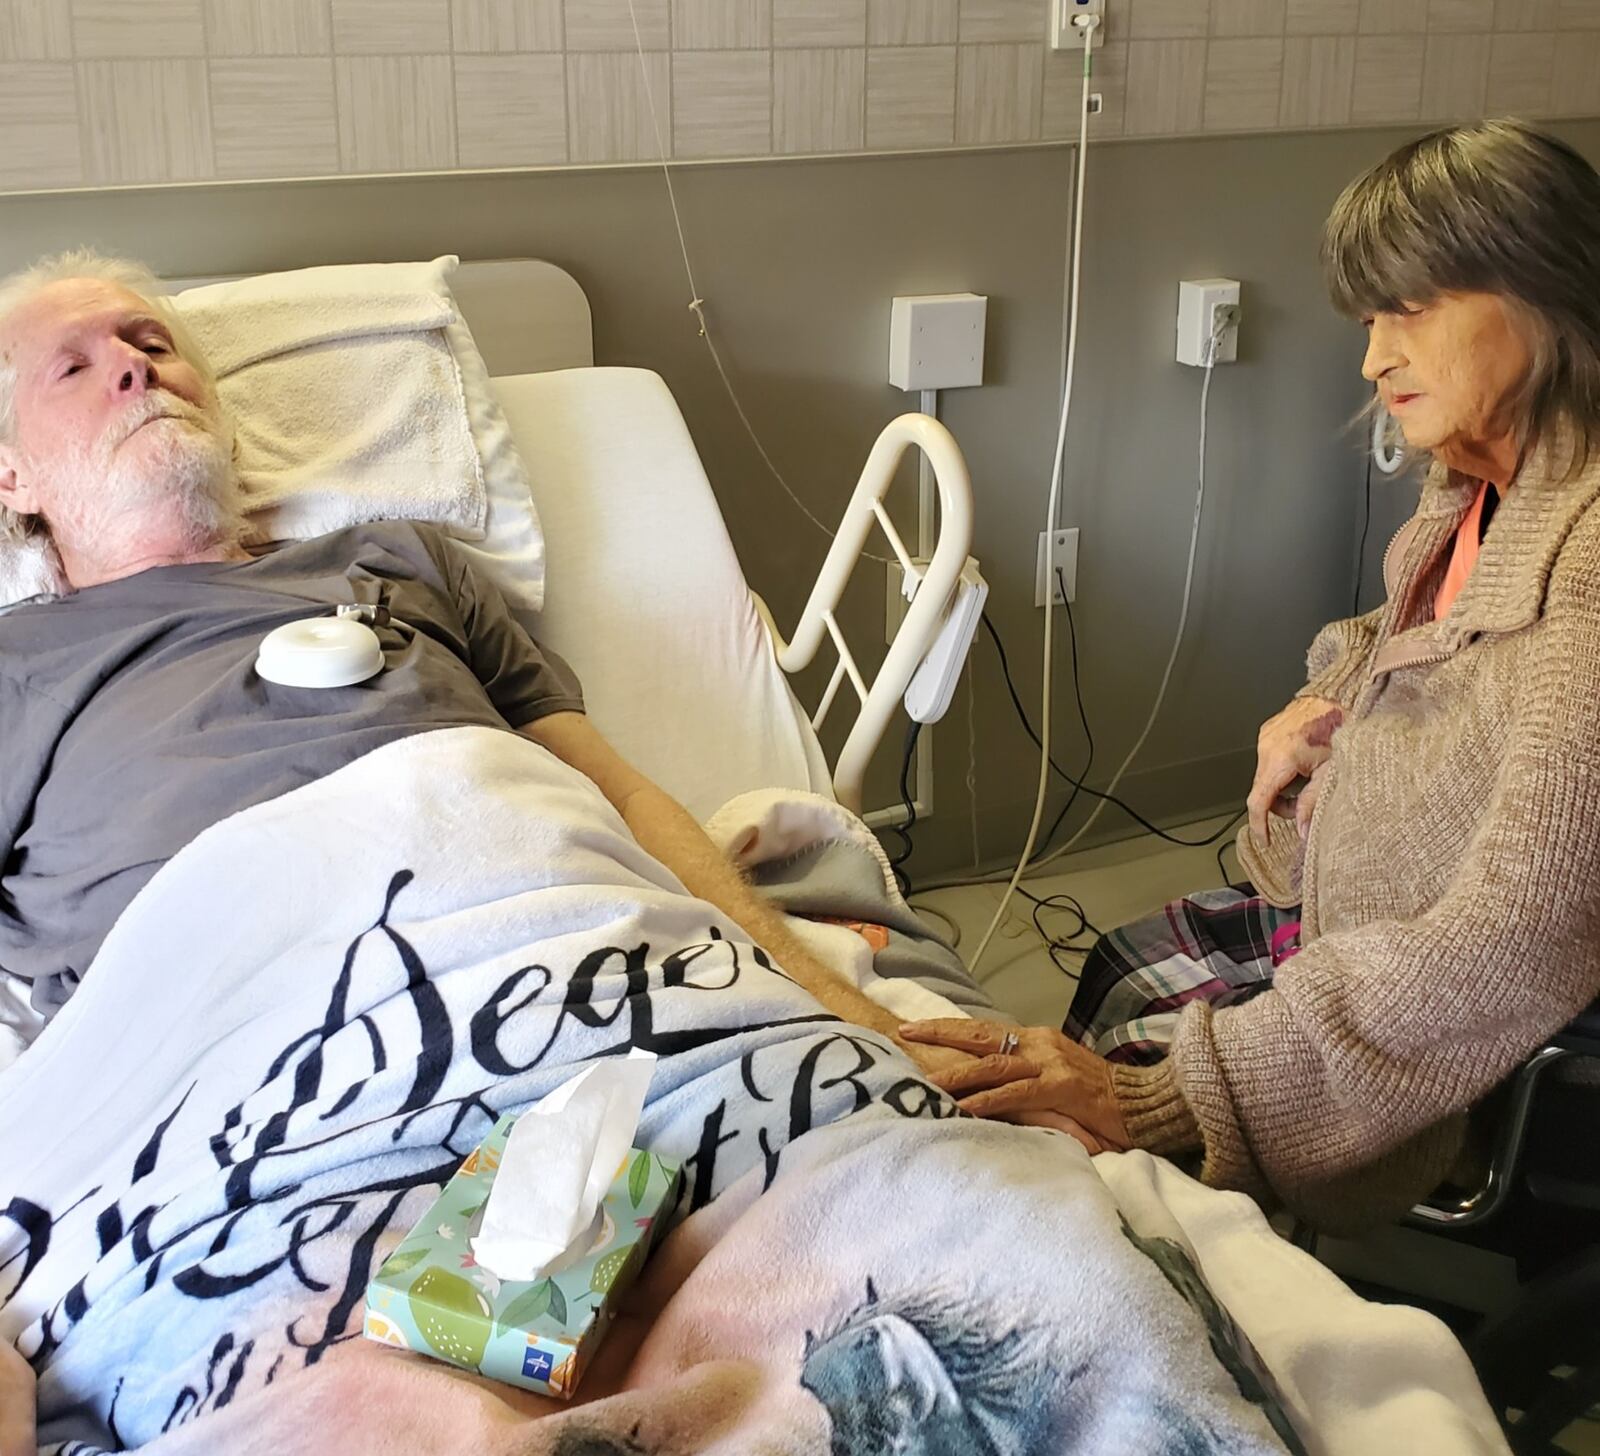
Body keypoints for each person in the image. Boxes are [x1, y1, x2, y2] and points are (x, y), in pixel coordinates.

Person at [0, 250, 963, 1080]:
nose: (133, 367)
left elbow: (618, 798)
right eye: (74, 367)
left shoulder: (398, 560)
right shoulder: (20, 665)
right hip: (255, 1056)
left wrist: (857, 1018)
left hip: (567, 971)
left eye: (152, 344)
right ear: (13, 476)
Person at [902, 119, 1600, 1230]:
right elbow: (1415, 638)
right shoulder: (1477, 479)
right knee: (1121, 964)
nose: (1373, 358)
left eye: (1408, 309)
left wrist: (1172, 1095)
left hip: (1462, 1033)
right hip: (1341, 915)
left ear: (1543, 292)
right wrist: (1324, 702)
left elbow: (1513, 939)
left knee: (1103, 1098)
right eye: (1369, 319)